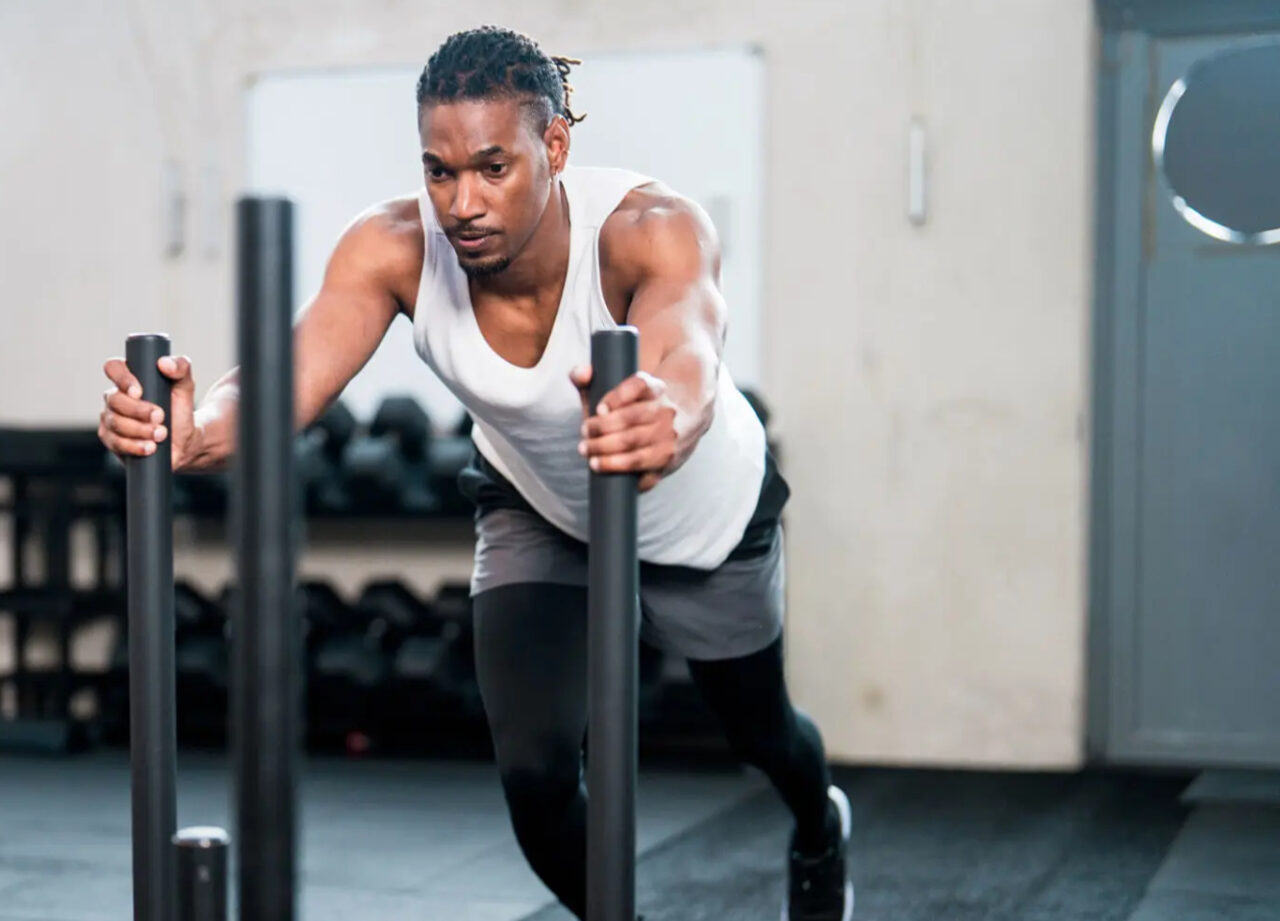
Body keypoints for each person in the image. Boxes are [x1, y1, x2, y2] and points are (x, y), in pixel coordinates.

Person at [97, 25, 851, 921]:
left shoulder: (649, 231)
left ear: (555, 147)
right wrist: (195, 430)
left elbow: (685, 347)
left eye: (493, 168)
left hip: (707, 515)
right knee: (533, 775)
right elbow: (275, 386)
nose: (462, 202)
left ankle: (819, 824)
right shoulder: (392, 247)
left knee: (762, 736)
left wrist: (665, 416)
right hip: (539, 507)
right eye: (440, 170)